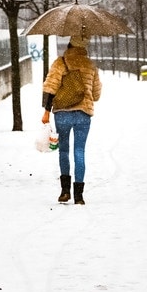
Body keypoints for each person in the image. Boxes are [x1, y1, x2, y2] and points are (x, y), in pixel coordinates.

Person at [41, 35, 102, 205]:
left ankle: (65, 191)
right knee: (79, 151)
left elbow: (50, 87)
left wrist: (46, 111)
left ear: (69, 44)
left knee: (64, 151)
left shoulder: (60, 62)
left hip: (62, 113)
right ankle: (79, 195)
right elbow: (96, 95)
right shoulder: (91, 65)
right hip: (84, 113)